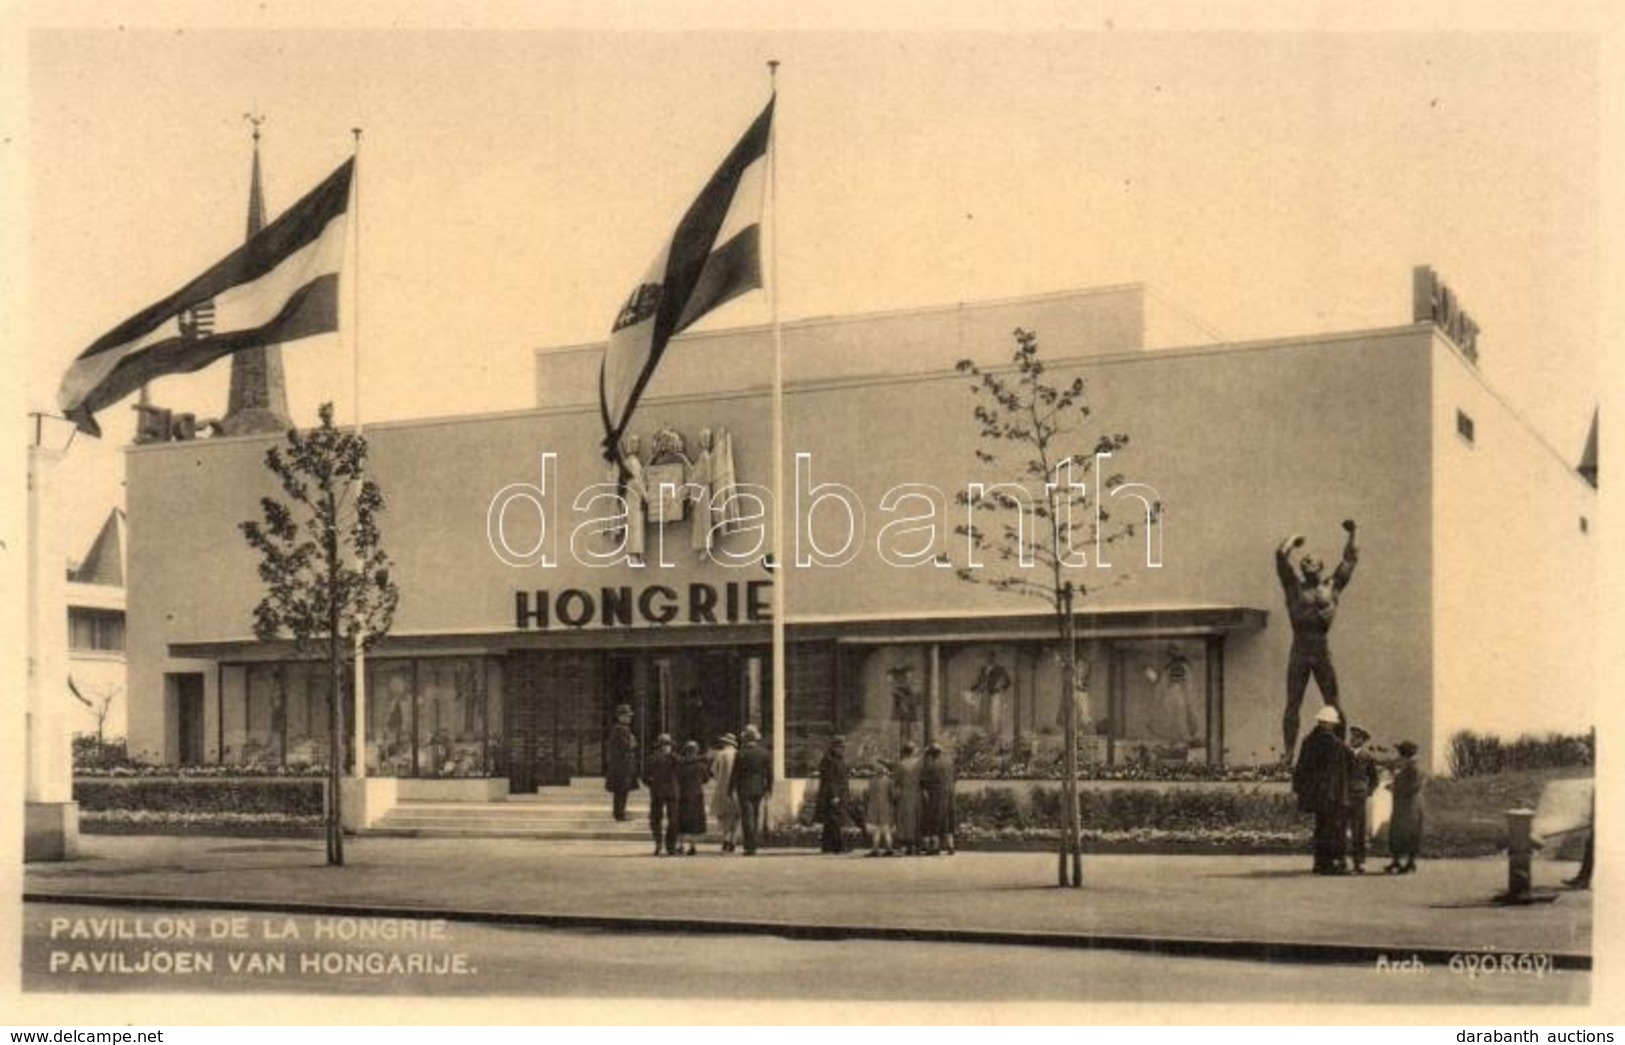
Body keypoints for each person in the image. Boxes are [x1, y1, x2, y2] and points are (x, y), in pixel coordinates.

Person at [1276, 519, 1359, 759]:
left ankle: (1342, 751)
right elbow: (1280, 557)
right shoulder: (1294, 588)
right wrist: (1293, 539)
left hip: (1321, 648)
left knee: (1333, 701)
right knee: (1293, 703)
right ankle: (1288, 754)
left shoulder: (1331, 587)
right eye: (1304, 560)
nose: (1307, 562)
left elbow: (1350, 560)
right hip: (1300, 648)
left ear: (1322, 566)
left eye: (1312, 559)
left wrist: (1352, 533)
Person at [1292, 705, 1351, 875]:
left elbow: (1301, 768)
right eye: (1333, 724)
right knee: (1333, 829)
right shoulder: (1335, 744)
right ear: (1329, 723)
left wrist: (1301, 790)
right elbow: (1338, 773)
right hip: (1331, 794)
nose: (1333, 726)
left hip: (1314, 794)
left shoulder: (1308, 740)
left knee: (1321, 827)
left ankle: (1319, 863)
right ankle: (1332, 864)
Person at [730, 725, 773, 855]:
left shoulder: (741, 753)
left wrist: (730, 789)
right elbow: (769, 773)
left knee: (747, 816)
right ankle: (753, 843)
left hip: (743, 787)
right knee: (755, 815)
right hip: (759, 787)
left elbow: (735, 773)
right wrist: (769, 789)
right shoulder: (764, 753)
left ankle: (749, 846)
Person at [1384, 740, 1425, 874]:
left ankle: (1410, 861)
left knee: (1409, 832)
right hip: (1403, 805)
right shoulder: (1408, 766)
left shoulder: (1414, 768)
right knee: (1397, 831)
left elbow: (1413, 787)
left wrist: (1394, 788)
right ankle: (1397, 860)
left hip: (1410, 806)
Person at [1344, 725, 1381, 874]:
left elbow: (1374, 779)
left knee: (1358, 830)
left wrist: (1367, 792)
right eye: (1352, 736)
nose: (1352, 739)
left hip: (1359, 797)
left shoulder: (1367, 757)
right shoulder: (1343, 753)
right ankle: (1340, 862)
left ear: (1363, 740)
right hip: (1343, 795)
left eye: (1357, 737)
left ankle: (1358, 863)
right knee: (1340, 828)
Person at [643, 733, 680, 856]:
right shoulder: (675, 758)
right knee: (670, 820)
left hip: (659, 792)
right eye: (664, 745)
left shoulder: (652, 758)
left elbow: (645, 777)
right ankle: (669, 846)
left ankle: (660, 844)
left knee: (658, 820)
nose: (665, 747)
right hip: (670, 792)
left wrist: (652, 785)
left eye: (667, 745)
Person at [603, 704, 640, 821]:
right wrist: (633, 742)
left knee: (621, 792)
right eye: (627, 716)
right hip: (622, 767)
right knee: (622, 791)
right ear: (620, 717)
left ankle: (619, 812)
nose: (630, 718)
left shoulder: (619, 729)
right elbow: (628, 746)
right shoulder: (621, 729)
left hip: (621, 766)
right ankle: (620, 813)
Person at [920, 742, 958, 855]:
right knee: (949, 820)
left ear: (931, 754)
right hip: (949, 795)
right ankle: (951, 846)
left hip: (936, 796)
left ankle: (935, 848)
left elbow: (923, 782)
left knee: (934, 820)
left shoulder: (930, 765)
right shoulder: (949, 763)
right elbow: (955, 778)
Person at [816, 735, 851, 854]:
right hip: (832, 795)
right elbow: (830, 779)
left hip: (839, 793)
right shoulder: (828, 760)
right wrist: (834, 795)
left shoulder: (838, 759)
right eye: (840, 747)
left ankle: (827, 846)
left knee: (830, 821)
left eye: (843, 747)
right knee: (835, 821)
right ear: (834, 747)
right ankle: (838, 846)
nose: (843, 749)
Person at [676, 740, 710, 856]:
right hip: (696, 795)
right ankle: (692, 845)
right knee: (694, 822)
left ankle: (680, 845)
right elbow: (706, 780)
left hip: (683, 794)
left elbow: (677, 779)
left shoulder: (680, 765)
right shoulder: (701, 766)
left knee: (681, 821)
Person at [709, 733, 741, 853]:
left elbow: (713, 770)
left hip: (722, 787)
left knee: (723, 816)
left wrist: (719, 778)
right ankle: (733, 840)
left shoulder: (720, 754)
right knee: (736, 815)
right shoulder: (738, 754)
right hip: (736, 788)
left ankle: (725, 839)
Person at [894, 741, 924, 855]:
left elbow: (895, 781)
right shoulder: (919, 764)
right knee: (916, 818)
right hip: (917, 794)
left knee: (905, 820)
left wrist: (896, 794)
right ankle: (915, 846)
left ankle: (905, 844)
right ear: (912, 751)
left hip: (905, 795)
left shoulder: (900, 764)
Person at [865, 760, 897, 857]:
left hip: (874, 807)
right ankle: (889, 848)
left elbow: (867, 795)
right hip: (886, 807)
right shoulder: (889, 781)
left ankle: (875, 848)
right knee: (886, 829)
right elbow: (893, 795)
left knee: (876, 829)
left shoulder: (872, 781)